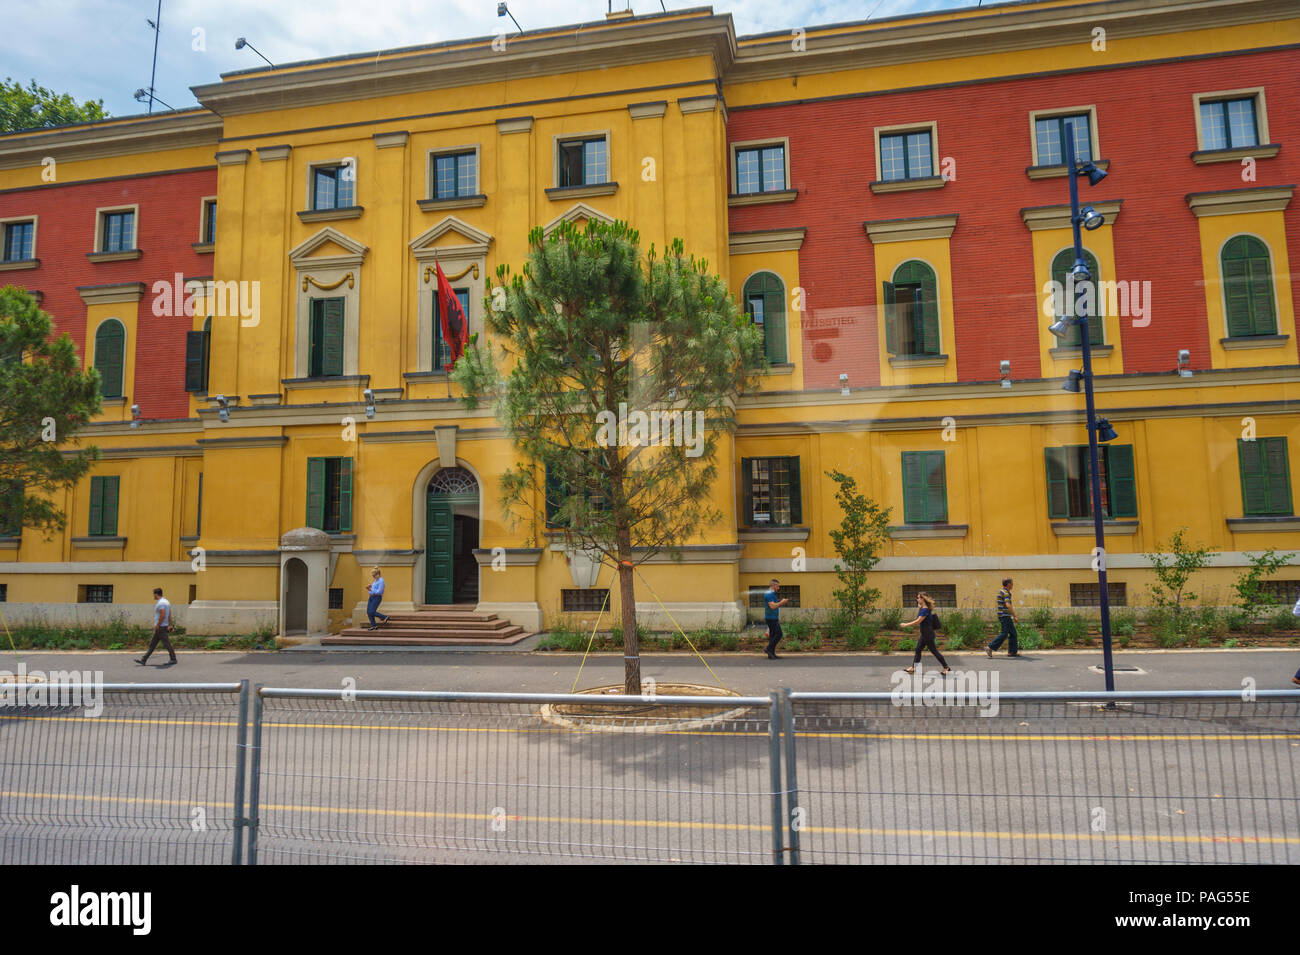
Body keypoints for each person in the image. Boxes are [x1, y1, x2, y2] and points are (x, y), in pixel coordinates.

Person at [901, 591, 949, 674]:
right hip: (925, 634)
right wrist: (919, 608)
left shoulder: (925, 610)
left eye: (918, 597)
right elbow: (919, 618)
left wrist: (906, 624)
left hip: (928, 634)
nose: (917, 599)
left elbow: (917, 621)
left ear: (922, 599)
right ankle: (913, 667)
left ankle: (946, 667)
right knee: (918, 649)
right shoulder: (924, 609)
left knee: (934, 651)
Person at [136, 587, 177, 667]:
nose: (153, 596)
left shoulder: (161, 603)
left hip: (161, 627)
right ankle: (143, 660)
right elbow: (169, 614)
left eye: (154, 594)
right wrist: (170, 624)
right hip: (163, 626)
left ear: (156, 594)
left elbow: (162, 615)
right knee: (153, 644)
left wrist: (158, 625)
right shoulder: (166, 602)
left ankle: (173, 659)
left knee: (166, 644)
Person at [987, 577, 1021, 658]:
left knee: (1013, 633)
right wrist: (1015, 616)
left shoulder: (1003, 591)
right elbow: (1008, 605)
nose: (1013, 585)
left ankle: (1012, 652)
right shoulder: (1005, 593)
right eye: (1012, 583)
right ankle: (990, 647)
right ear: (1008, 584)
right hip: (1004, 615)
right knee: (1004, 633)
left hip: (1004, 615)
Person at [763, 578, 789, 660]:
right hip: (771, 618)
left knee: (773, 636)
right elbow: (772, 606)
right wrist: (782, 602)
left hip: (772, 617)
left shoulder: (772, 593)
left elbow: (774, 602)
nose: (778, 588)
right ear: (773, 586)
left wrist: (779, 600)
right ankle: (768, 649)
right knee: (779, 634)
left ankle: (771, 654)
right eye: (777, 586)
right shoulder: (769, 594)